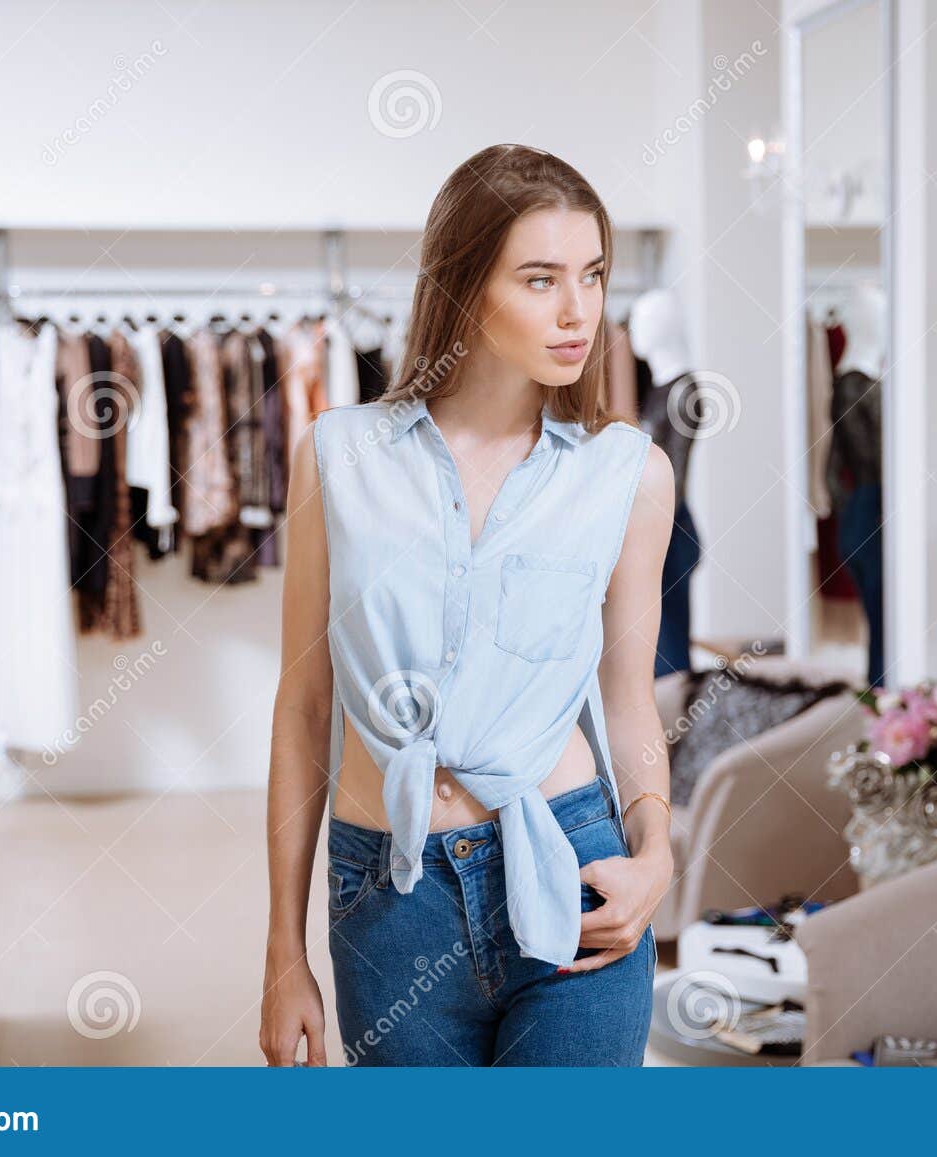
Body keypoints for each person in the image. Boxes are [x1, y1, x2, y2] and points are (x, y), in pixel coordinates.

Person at [260, 144, 676, 1067]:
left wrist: (656, 853)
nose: (579, 311)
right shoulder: (337, 457)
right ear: (462, 287)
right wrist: (283, 951)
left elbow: (628, 695)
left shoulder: (630, 475)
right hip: (389, 898)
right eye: (540, 279)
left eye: (594, 275)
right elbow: (303, 709)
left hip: (575, 871)